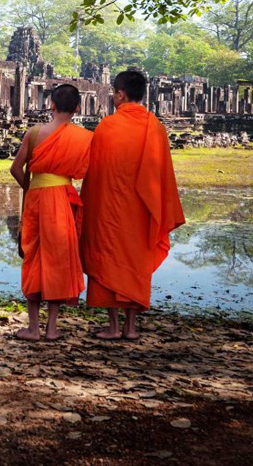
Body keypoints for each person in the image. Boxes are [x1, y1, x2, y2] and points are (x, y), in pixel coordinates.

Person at [81, 70, 185, 340]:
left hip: (109, 209)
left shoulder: (107, 126)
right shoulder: (156, 127)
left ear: (120, 94)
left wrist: (88, 206)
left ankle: (114, 327)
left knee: (108, 260)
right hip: (142, 211)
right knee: (135, 263)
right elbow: (163, 174)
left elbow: (96, 174)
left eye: (114, 93)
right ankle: (130, 327)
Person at [9, 84, 93, 341]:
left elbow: (16, 169)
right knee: (58, 259)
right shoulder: (85, 137)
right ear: (78, 108)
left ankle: (33, 328)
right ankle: (52, 328)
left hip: (37, 199)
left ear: (51, 105)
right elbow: (86, 171)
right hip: (63, 199)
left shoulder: (34, 133)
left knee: (34, 256)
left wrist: (33, 186)